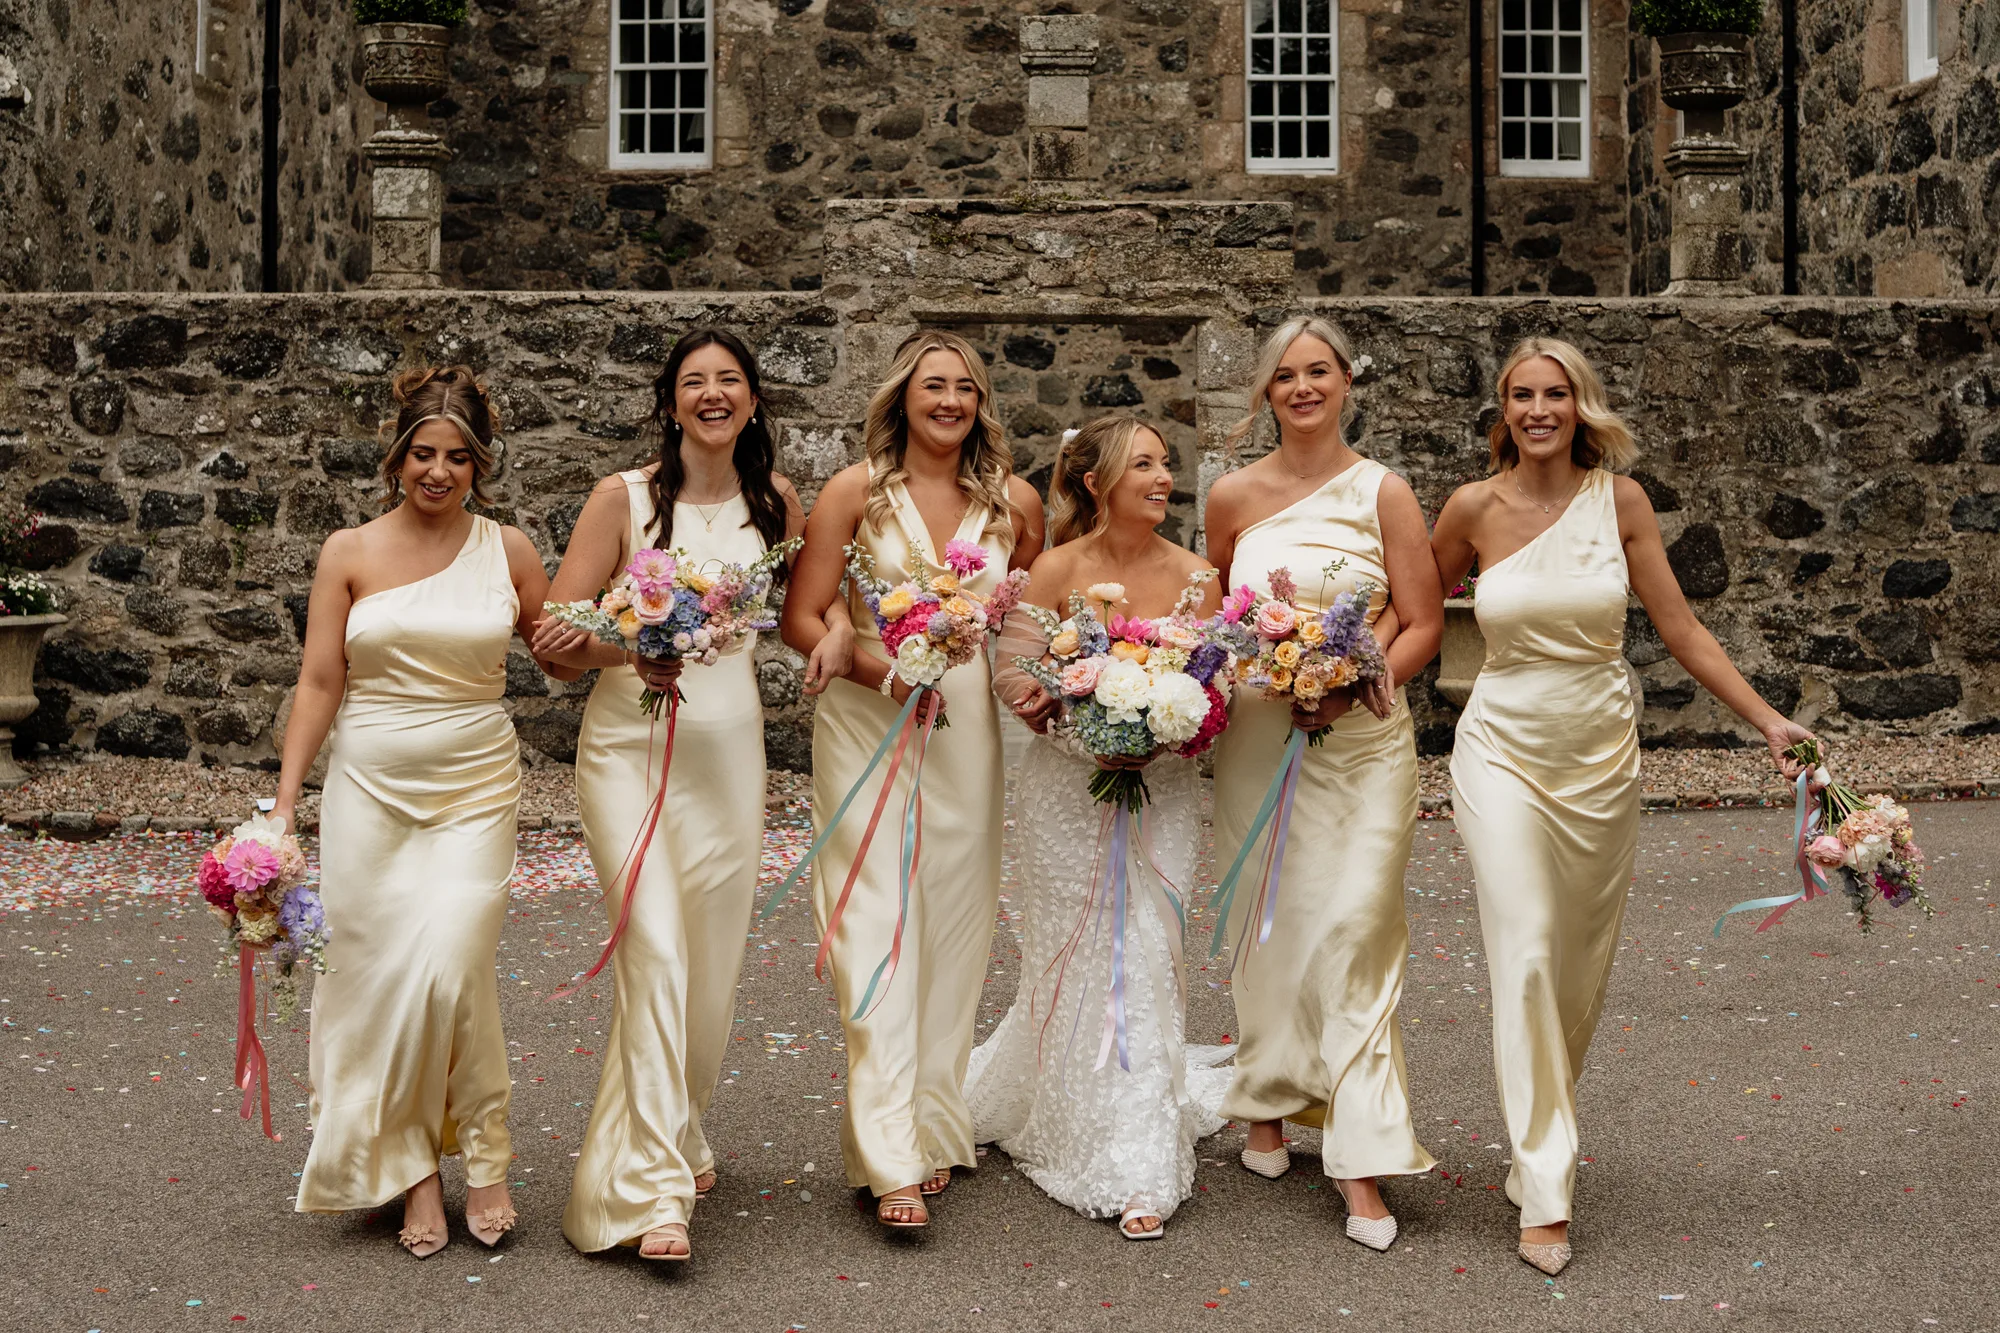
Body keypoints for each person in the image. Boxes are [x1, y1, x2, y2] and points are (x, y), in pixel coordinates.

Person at [1430, 337, 1814, 1275]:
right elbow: (1415, 605)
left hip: (1599, 755)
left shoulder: (1623, 502)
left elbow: (1682, 629)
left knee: (1575, 967)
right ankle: (1546, 1186)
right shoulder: (1471, 508)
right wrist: (1330, 669)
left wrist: (1770, 720)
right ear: (1502, 409)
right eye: (1522, 394)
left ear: (1581, 404)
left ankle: (1540, 1131)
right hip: (1500, 747)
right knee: (1525, 947)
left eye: (1555, 393)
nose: (1538, 409)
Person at [531, 328, 852, 1263]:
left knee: (710, 965)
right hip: (628, 750)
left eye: (730, 380)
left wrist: (836, 627)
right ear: (670, 402)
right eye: (694, 381)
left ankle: (678, 1126)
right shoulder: (622, 499)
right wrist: (630, 648)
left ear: (752, 399)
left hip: (728, 756)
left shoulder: (776, 501)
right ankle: (649, 1193)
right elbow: (554, 643)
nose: (714, 393)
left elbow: (809, 601)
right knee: (658, 951)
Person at [278, 366, 549, 1258]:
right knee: (374, 975)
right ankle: (414, 1169)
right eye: (423, 453)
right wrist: (283, 806)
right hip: (369, 788)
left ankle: (488, 1153)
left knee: (451, 965)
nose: (439, 471)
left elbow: (563, 651)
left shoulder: (509, 550)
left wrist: (651, 637)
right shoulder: (348, 552)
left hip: (475, 783)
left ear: (480, 465)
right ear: (395, 457)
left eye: (458, 457)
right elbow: (320, 681)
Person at [780, 329, 1044, 1230]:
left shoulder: (1013, 502)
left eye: (965, 389)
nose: (950, 402)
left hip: (965, 732)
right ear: (902, 397)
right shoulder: (855, 492)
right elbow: (804, 614)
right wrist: (874, 668)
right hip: (870, 719)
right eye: (934, 386)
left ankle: (933, 1123)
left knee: (955, 927)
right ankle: (887, 1150)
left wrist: (1067, 691)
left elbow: (1026, 622)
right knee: (874, 928)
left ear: (981, 404)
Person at [1201, 316, 1442, 1251]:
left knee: (1353, 930)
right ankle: (1267, 1098)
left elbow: (1422, 620)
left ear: (1346, 381)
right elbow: (1216, 617)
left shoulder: (1385, 490)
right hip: (1261, 737)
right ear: (1266, 392)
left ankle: (1359, 1156)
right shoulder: (1231, 496)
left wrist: (1350, 683)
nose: (1303, 388)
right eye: (1285, 376)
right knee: (1269, 923)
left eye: (1319, 372)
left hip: (1365, 739)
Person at [966, 415, 1231, 1240]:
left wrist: (1164, 732)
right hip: (1066, 789)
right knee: (1071, 944)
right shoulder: (1056, 567)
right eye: (1143, 464)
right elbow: (1013, 673)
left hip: (1163, 788)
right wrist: (1080, 733)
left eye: (1165, 463)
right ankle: (1066, 1104)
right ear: (1096, 482)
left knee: (1149, 944)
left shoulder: (1196, 578)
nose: (1163, 477)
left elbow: (1215, 690)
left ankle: (1139, 1151)